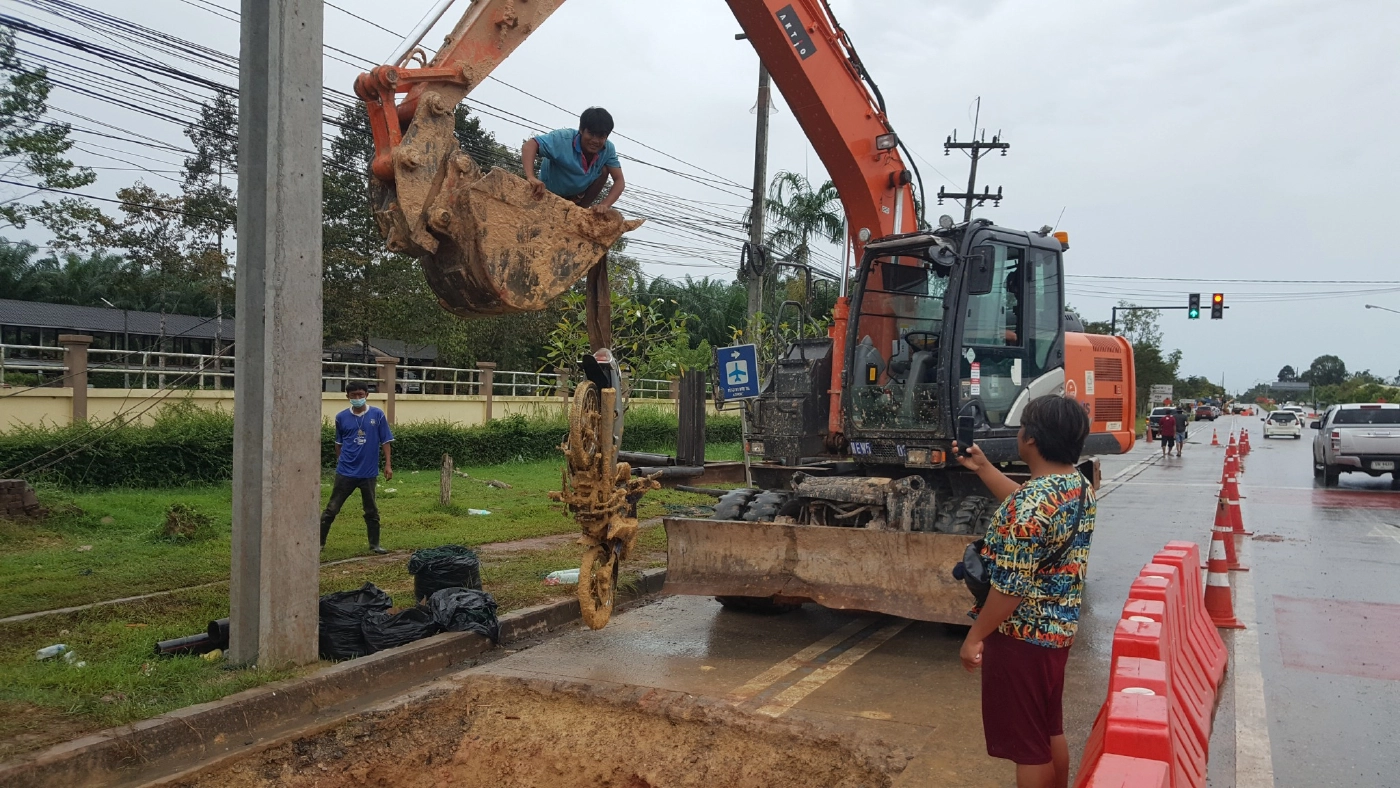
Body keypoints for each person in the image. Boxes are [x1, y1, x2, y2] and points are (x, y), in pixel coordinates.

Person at [953, 395, 1096, 788]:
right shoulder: (1077, 485)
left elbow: (1010, 590)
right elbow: (1028, 505)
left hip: (1022, 639)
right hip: (1058, 633)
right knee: (1049, 730)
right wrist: (983, 467)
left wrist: (974, 637)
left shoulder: (1031, 507)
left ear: (1030, 438)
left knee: (1028, 748)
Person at [320, 382, 394, 554]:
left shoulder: (378, 414)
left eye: (360, 394)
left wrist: (388, 464)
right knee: (332, 508)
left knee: (371, 510)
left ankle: (374, 545)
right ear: (347, 397)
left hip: (368, 473)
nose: (357, 398)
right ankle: (320, 543)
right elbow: (338, 443)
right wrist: (341, 462)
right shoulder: (341, 417)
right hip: (345, 472)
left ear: (367, 395)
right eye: (353, 395)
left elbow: (386, 441)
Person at [521, 107, 625, 215]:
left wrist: (605, 205)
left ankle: (581, 211)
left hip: (577, 198)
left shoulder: (608, 149)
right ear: (581, 129)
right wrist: (531, 177)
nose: (595, 140)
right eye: (591, 134)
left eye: (601, 136)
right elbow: (529, 146)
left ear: (606, 137)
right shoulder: (563, 138)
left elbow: (619, 180)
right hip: (547, 194)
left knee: (604, 170)